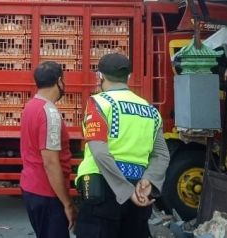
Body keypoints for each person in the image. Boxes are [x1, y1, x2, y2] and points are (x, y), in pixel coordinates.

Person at [75, 53, 170, 238]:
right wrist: (149, 181)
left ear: (99, 76)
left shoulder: (99, 103)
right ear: (128, 77)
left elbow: (99, 151)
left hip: (103, 189)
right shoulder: (150, 110)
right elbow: (162, 155)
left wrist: (125, 191)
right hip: (139, 190)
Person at [20, 61, 77, 238]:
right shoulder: (49, 112)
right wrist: (67, 203)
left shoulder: (30, 106)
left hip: (31, 188)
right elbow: (50, 162)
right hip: (48, 193)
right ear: (59, 81)